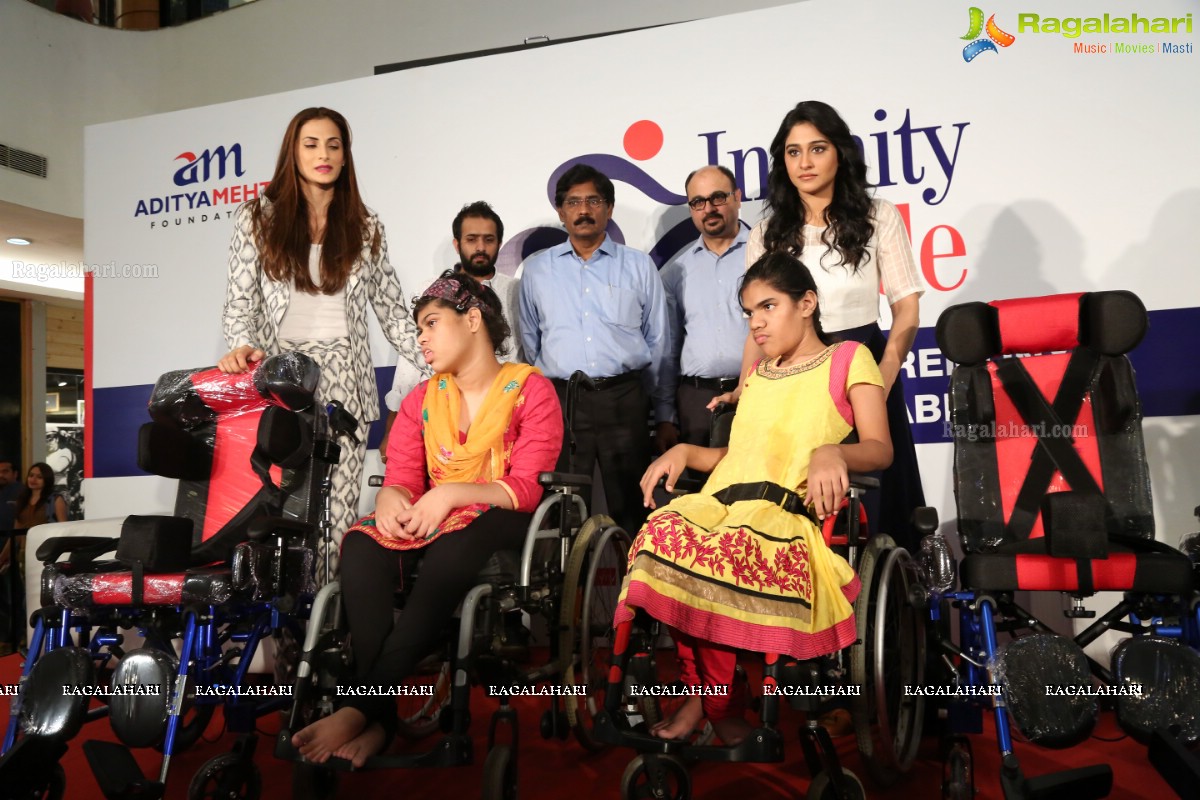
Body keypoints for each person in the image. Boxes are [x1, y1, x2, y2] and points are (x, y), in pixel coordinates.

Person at [614, 252, 893, 745]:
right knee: (660, 539)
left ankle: (714, 704)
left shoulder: (849, 358)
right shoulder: (760, 375)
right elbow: (734, 454)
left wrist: (834, 451)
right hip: (722, 503)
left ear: (806, 303)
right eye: (748, 313)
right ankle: (710, 698)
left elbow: (881, 448)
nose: (756, 323)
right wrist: (684, 449)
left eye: (768, 307)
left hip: (784, 516)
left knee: (719, 558)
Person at [292, 271, 563, 766]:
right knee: (361, 544)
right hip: (437, 518)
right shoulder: (421, 399)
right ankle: (380, 718)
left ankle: (361, 708)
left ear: (474, 320)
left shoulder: (531, 390)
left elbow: (525, 488)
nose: (421, 338)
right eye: (419, 328)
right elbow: (401, 476)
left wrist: (451, 495)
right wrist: (394, 499)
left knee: (454, 544)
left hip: (505, 519)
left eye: (432, 323)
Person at [218, 107, 426, 577]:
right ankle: (286, 631)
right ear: (293, 152)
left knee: (335, 519)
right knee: (284, 515)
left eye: (334, 144)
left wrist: (440, 361)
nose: (324, 154)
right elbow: (240, 300)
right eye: (311, 144)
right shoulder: (256, 217)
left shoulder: (366, 228)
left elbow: (393, 312)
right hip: (284, 384)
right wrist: (242, 343)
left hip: (346, 389)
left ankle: (325, 628)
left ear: (346, 155)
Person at [739, 100, 925, 549]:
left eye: (817, 149)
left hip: (862, 366)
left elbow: (908, 309)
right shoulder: (767, 233)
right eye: (793, 151)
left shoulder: (879, 216)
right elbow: (758, 323)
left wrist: (881, 377)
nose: (804, 162)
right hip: (792, 375)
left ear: (840, 152)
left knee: (876, 510)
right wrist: (747, 387)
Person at [518, 164, 671, 535]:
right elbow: (530, 342)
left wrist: (663, 412)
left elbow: (660, 342)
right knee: (563, 509)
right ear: (561, 211)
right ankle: (566, 591)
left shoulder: (638, 267)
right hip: (563, 402)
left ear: (609, 208)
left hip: (624, 399)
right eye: (573, 202)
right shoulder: (538, 271)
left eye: (593, 200)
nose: (583, 210)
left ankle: (637, 591)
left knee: (633, 505)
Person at [380, 201, 521, 462]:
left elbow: (522, 355)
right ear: (457, 244)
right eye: (471, 239)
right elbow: (411, 363)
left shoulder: (516, 291)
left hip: (504, 415)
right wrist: (393, 426)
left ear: (499, 243)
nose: (480, 247)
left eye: (489, 239)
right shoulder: (431, 290)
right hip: (440, 412)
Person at [659, 165, 749, 453]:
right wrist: (666, 417)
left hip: (761, 390)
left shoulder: (767, 254)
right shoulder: (676, 272)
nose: (708, 208)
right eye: (698, 202)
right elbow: (669, 351)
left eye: (718, 198)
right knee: (703, 493)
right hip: (698, 401)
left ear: (737, 197)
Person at [0, 459, 20, 531]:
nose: (1, 475)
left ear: (15, 474)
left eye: (5, 472)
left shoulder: (24, 493)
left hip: (13, 539)